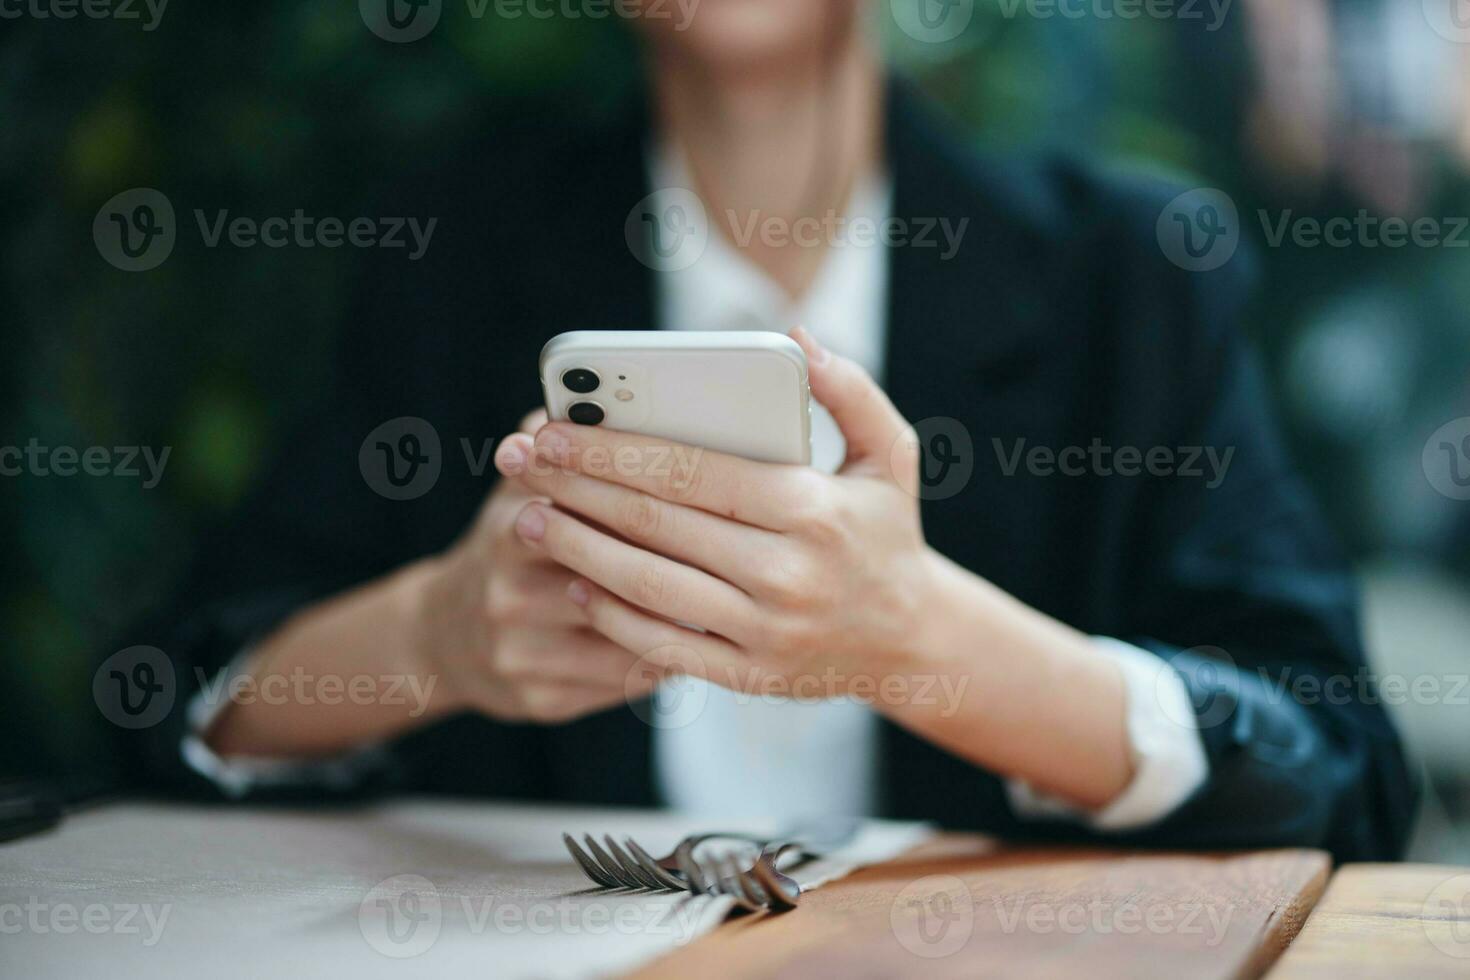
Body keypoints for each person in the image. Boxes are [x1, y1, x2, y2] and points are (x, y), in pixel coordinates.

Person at [134, 0, 1413, 860]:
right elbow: (180, 699)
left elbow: (1342, 772)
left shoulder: (1125, 278)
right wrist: (432, 635)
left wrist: (928, 644)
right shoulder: (454, 258)